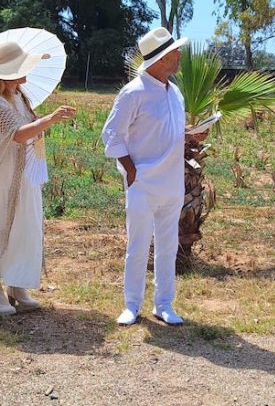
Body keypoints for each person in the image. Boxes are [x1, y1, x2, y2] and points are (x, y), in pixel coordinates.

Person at [0, 42, 76, 316]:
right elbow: (18, 134)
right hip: (0, 172)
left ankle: (18, 283)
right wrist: (50, 119)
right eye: (21, 70)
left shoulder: (20, 95)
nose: (26, 76)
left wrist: (42, 122)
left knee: (25, 223)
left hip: (25, 170)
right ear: (5, 74)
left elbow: (27, 130)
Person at [101, 26, 208, 327]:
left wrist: (192, 134)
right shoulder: (133, 92)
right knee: (137, 246)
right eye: (175, 53)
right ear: (160, 59)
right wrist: (132, 172)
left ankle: (164, 304)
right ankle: (131, 305)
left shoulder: (174, 92)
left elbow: (169, 133)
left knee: (168, 246)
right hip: (143, 185)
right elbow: (111, 135)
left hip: (172, 185)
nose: (179, 57)